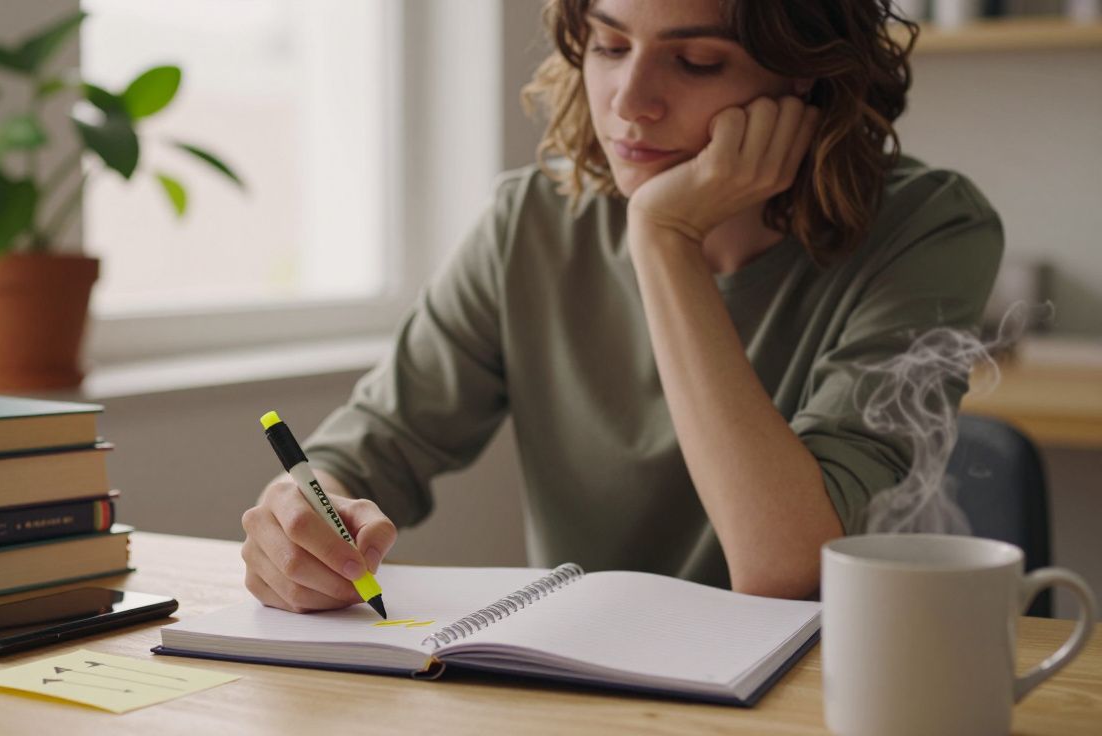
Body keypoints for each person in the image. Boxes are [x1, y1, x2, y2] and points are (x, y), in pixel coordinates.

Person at [239, 0, 1003, 613]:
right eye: (608, 46)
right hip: (588, 698)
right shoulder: (530, 224)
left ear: (808, 76)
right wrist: (298, 518)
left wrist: (664, 238)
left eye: (697, 61)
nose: (630, 103)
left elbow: (787, 570)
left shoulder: (928, 230)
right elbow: (370, 448)